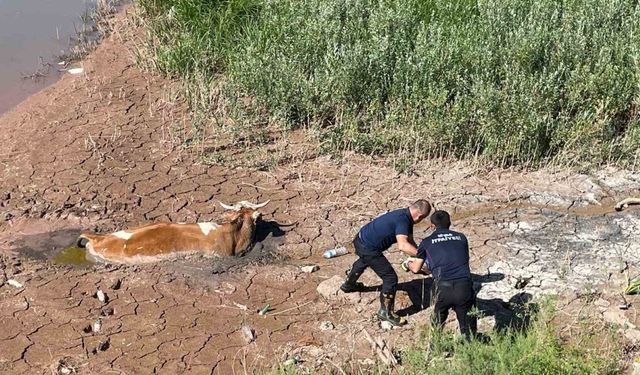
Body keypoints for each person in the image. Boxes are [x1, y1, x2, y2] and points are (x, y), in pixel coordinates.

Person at [340, 199, 432, 326]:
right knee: (390, 278)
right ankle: (386, 312)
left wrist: (418, 256)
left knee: (364, 260)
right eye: (422, 219)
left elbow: (409, 240)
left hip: (361, 238)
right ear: (420, 216)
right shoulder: (403, 220)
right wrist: (423, 257)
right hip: (368, 247)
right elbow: (403, 245)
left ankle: (348, 285)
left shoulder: (404, 215)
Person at [406, 210, 477, 340]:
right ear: (449, 223)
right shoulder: (461, 237)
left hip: (443, 289)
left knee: (437, 327)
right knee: (469, 332)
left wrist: (407, 264)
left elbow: (416, 269)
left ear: (432, 226)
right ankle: (470, 349)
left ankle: (435, 350)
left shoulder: (426, 242)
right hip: (464, 287)